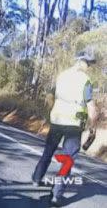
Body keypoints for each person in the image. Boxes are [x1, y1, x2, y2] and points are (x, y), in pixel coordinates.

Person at [32, 48, 99, 206]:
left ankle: (36, 178)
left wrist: (52, 111)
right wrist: (93, 128)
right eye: (89, 63)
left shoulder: (63, 75)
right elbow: (92, 109)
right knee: (67, 160)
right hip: (74, 126)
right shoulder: (85, 80)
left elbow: (50, 96)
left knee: (48, 151)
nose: (89, 66)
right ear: (85, 62)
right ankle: (56, 195)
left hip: (57, 120)